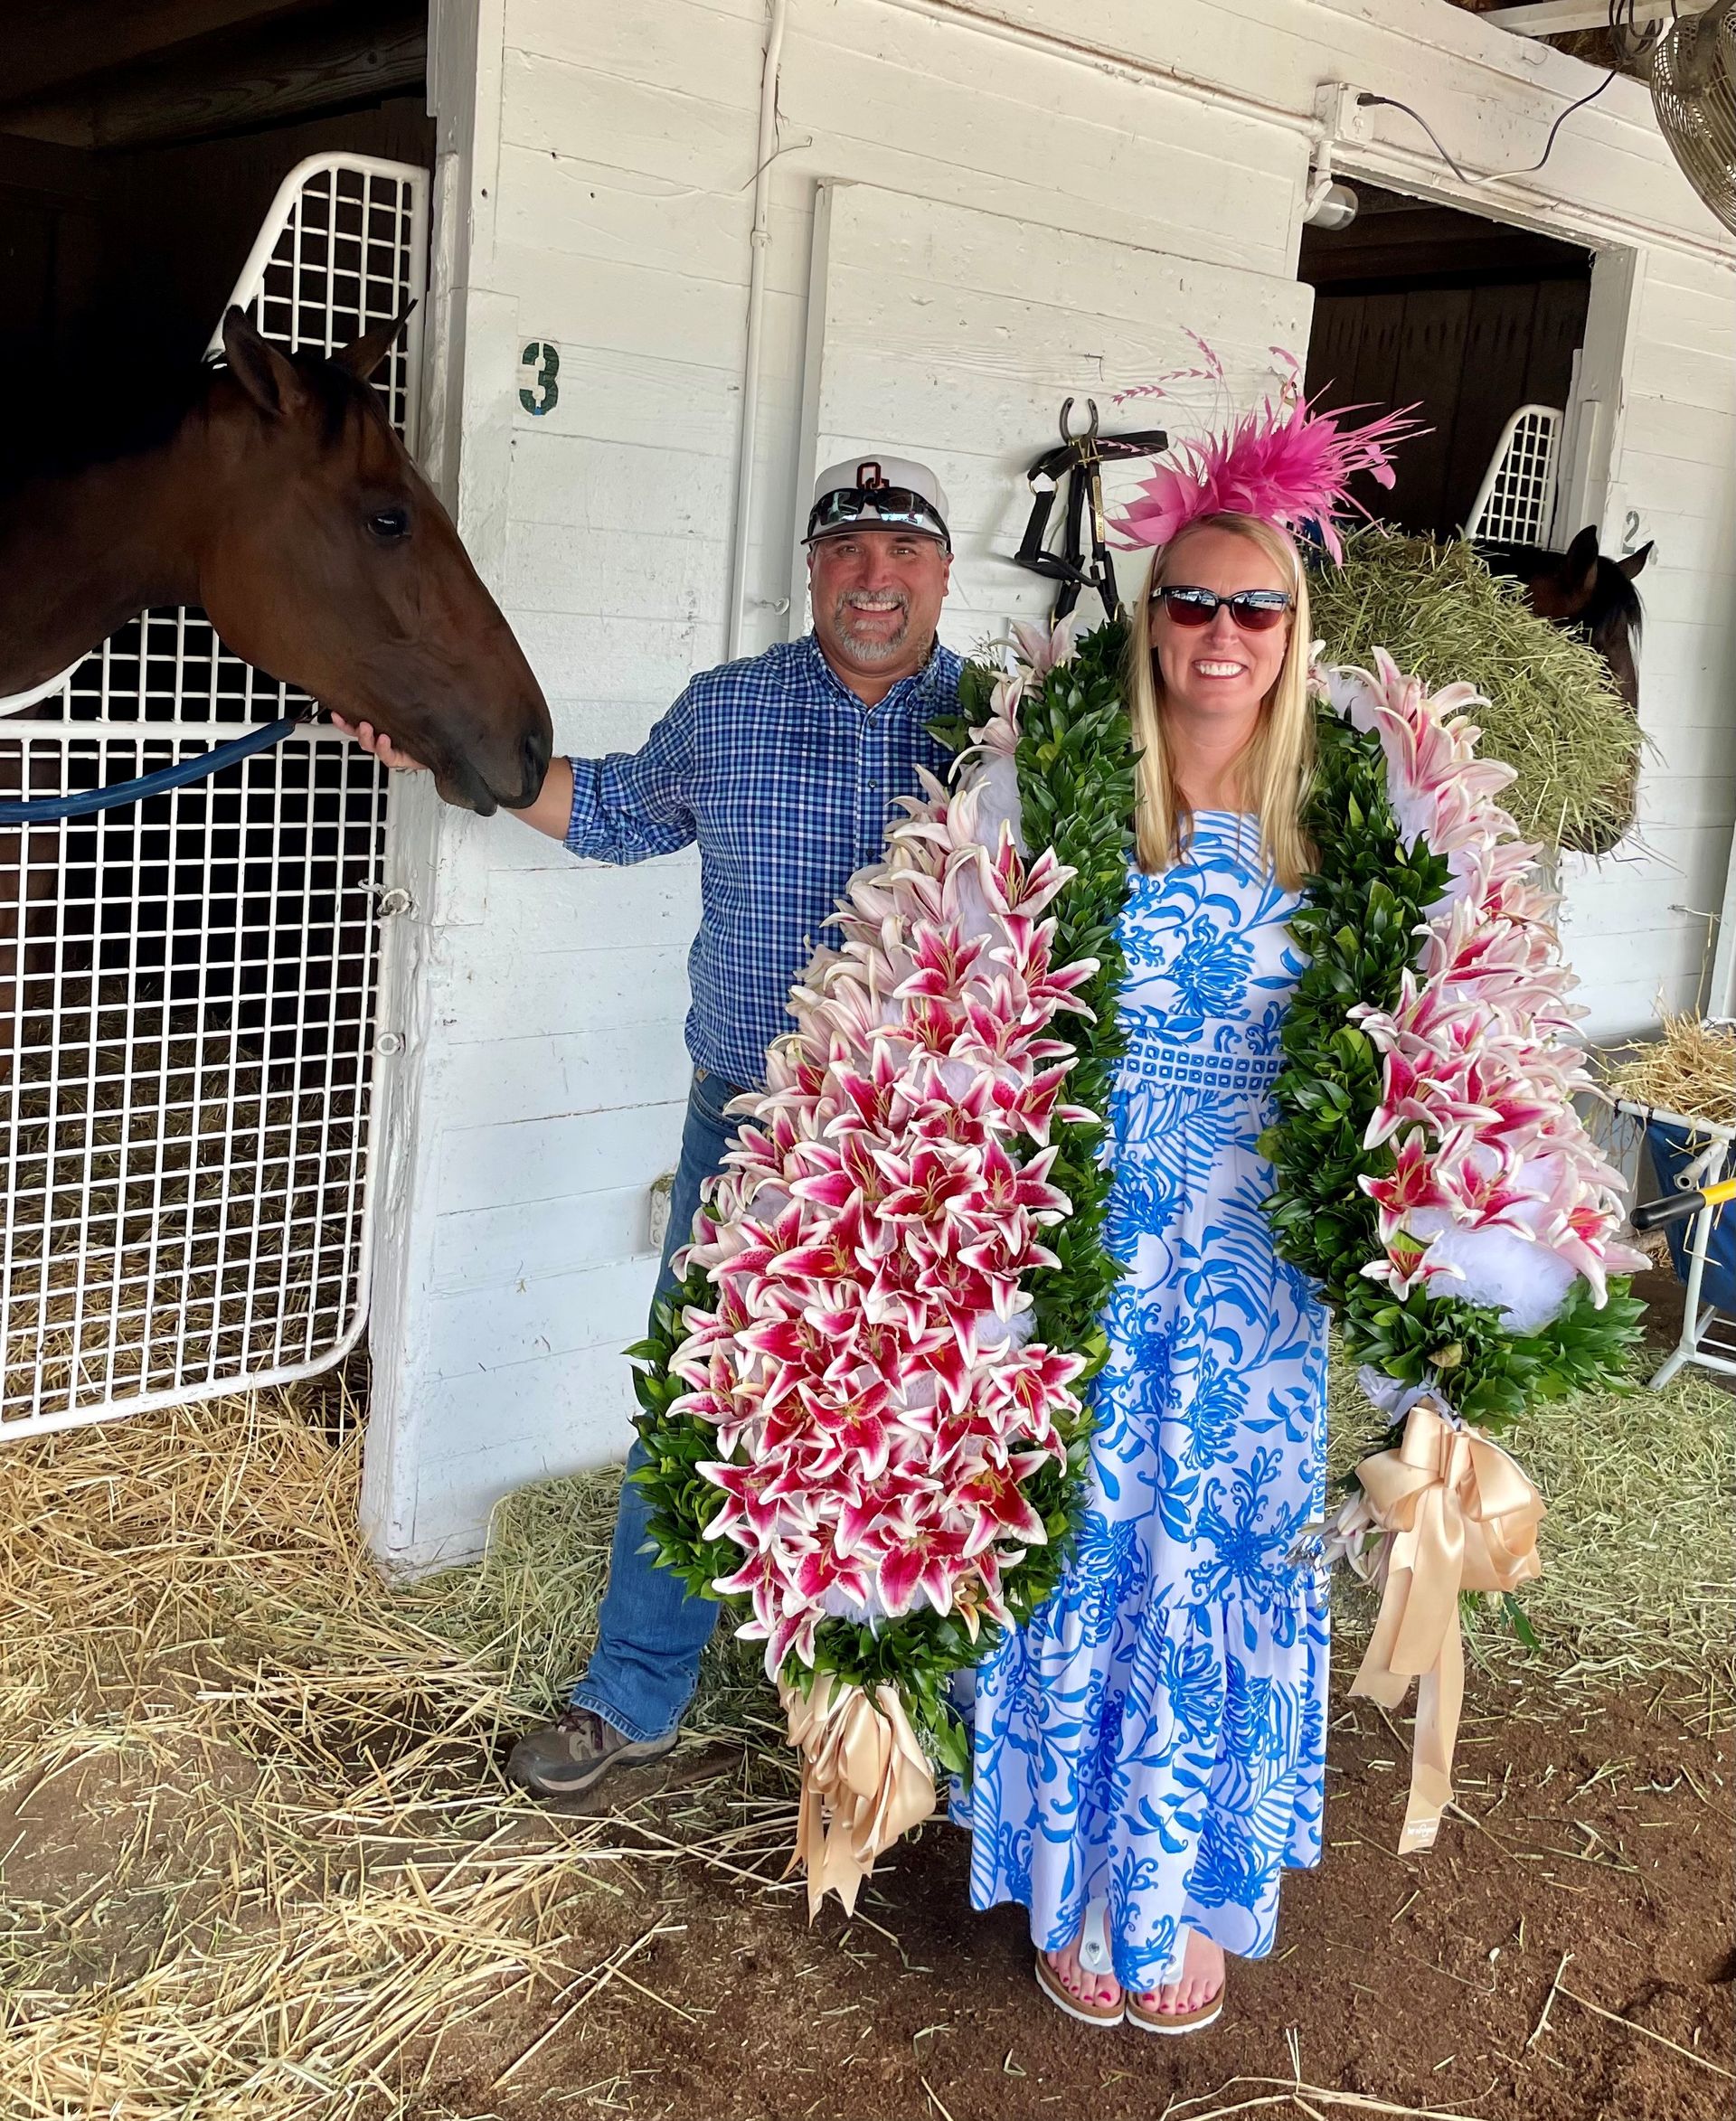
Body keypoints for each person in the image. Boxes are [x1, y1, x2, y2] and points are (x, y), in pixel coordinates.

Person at [336, 456, 961, 1799]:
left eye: (901, 553)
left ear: (943, 574)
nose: (873, 577)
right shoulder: (729, 710)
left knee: (933, 1419)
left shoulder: (1004, 731)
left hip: (926, 1159)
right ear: (812, 571)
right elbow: (609, 809)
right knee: (696, 1404)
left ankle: (938, 1713)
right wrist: (447, 741)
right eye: (847, 550)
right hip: (745, 1129)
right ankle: (635, 1690)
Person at [958, 510, 1329, 2034]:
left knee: (1215, 1560)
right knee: (1089, 1547)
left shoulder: (1353, 811)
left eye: (1258, 605)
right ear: (1152, 616)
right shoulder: (1045, 786)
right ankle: (1078, 1887)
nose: (1223, 632)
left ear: (1291, 630)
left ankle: (1179, 1890)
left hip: (1261, 1276)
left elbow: (1422, 1052)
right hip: (1092, 1242)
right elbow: (972, 1001)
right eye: (1193, 600)